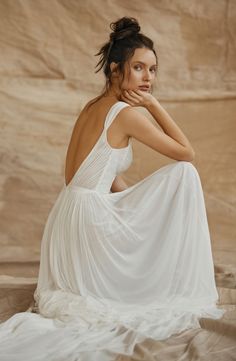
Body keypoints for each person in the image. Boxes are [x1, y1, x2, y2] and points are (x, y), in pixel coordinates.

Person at [0, 16, 225, 361]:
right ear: (116, 69)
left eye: (153, 69)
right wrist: (154, 105)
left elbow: (84, 176)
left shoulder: (92, 107)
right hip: (87, 225)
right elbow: (186, 153)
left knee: (167, 187)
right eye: (139, 68)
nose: (148, 78)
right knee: (186, 174)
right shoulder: (127, 114)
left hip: (66, 219)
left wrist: (134, 210)